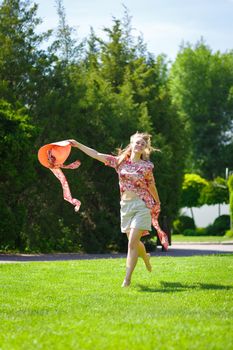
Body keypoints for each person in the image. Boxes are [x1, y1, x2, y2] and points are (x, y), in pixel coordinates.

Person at [69, 132, 168, 287]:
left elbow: (151, 185)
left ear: (145, 148)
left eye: (143, 143)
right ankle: (145, 257)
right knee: (133, 242)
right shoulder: (119, 162)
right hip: (125, 206)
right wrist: (78, 144)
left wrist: (158, 202)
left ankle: (127, 280)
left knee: (131, 244)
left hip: (142, 205)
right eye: (137, 142)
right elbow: (96, 154)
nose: (140, 145)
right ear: (132, 144)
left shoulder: (147, 166)